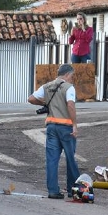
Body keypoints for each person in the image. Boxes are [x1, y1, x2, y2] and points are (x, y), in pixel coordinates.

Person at [28, 64, 80, 199]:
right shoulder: (69, 88)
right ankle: (72, 190)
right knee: (70, 159)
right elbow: (70, 105)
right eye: (72, 76)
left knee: (52, 160)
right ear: (68, 74)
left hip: (51, 127)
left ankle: (53, 190)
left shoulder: (47, 86)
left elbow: (31, 98)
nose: (72, 79)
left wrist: (45, 103)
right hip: (66, 128)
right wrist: (74, 125)